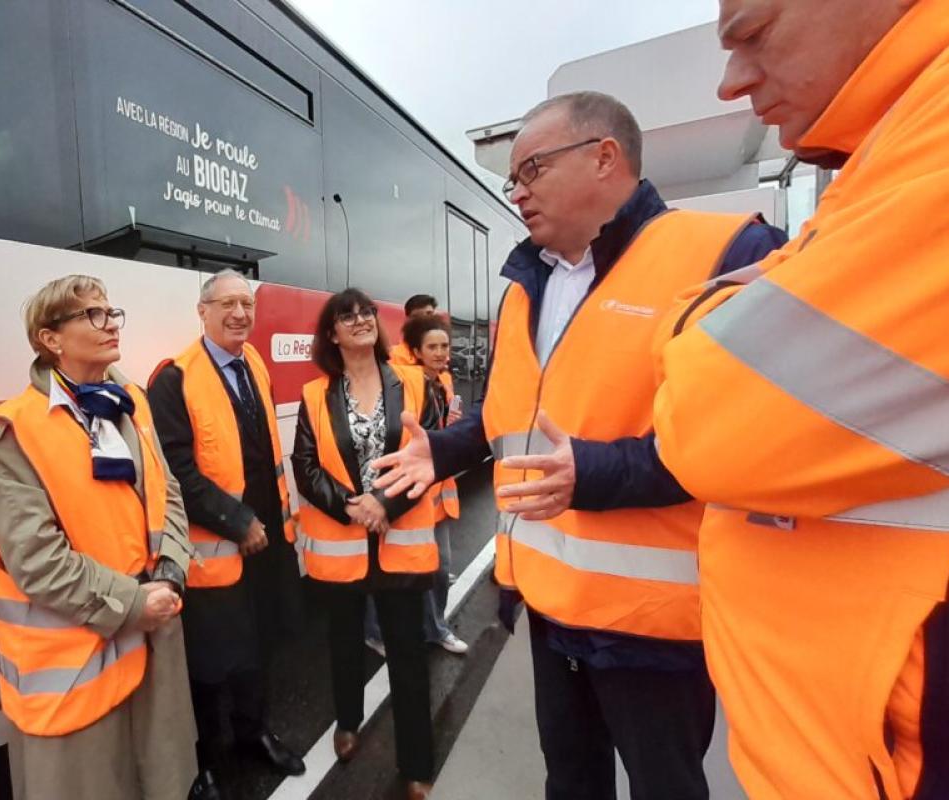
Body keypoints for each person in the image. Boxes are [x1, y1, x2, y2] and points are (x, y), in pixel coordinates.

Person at [371, 92, 786, 800]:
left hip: (653, 626)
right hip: (548, 608)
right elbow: (517, 415)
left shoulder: (727, 255)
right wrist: (440, 452)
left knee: (668, 787)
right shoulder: (524, 286)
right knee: (570, 781)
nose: (518, 190)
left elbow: (751, 440)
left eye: (532, 167)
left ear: (605, 157)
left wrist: (592, 474)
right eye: (513, 178)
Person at [647, 1, 949, 797]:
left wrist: (692, 313)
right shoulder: (893, 149)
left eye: (753, 33)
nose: (729, 81)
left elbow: (713, 427)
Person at [0, 275, 198, 800]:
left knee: (160, 779)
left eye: (113, 312)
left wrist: (172, 573)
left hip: (152, 639)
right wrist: (137, 601)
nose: (111, 323)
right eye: (94, 315)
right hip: (74, 672)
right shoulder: (13, 429)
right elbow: (37, 561)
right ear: (51, 339)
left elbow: (170, 493)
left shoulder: (130, 400)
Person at [147, 270, 306, 799]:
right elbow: (175, 472)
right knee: (209, 666)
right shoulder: (174, 378)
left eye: (247, 303)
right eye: (227, 304)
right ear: (202, 311)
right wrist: (238, 523)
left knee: (258, 649)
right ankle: (205, 766)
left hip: (266, 547)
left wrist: (269, 528)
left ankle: (254, 734)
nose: (240, 314)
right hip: (214, 552)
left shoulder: (253, 363)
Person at [292, 288, 440, 800]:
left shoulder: (417, 383)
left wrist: (385, 504)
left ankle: (417, 762)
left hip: (400, 542)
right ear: (331, 333)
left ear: (378, 325)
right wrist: (352, 506)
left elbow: (432, 456)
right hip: (343, 544)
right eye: (345, 316)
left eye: (366, 313)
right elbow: (305, 467)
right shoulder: (316, 395)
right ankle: (348, 721)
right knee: (344, 646)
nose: (359, 320)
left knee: (408, 656)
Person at [365, 314, 468, 657]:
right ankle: (382, 632)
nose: (440, 353)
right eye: (432, 347)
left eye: (444, 346)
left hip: (436, 493)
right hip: (409, 493)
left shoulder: (442, 382)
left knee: (439, 568)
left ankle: (434, 627)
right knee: (393, 568)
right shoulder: (406, 382)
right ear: (416, 351)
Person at [388, 294, 439, 367]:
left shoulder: (443, 354)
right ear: (408, 320)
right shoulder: (394, 355)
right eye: (417, 316)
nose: (426, 320)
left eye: (429, 314)